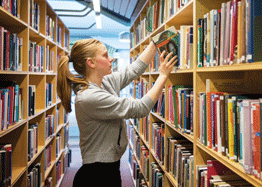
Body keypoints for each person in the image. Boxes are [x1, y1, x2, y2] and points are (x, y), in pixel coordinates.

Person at [56, 38, 177, 187]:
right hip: (96, 176)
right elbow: (141, 108)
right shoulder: (89, 97)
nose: (111, 58)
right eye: (106, 55)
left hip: (110, 169)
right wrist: (163, 75)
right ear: (91, 63)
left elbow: (133, 70)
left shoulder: (104, 82)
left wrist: (155, 42)